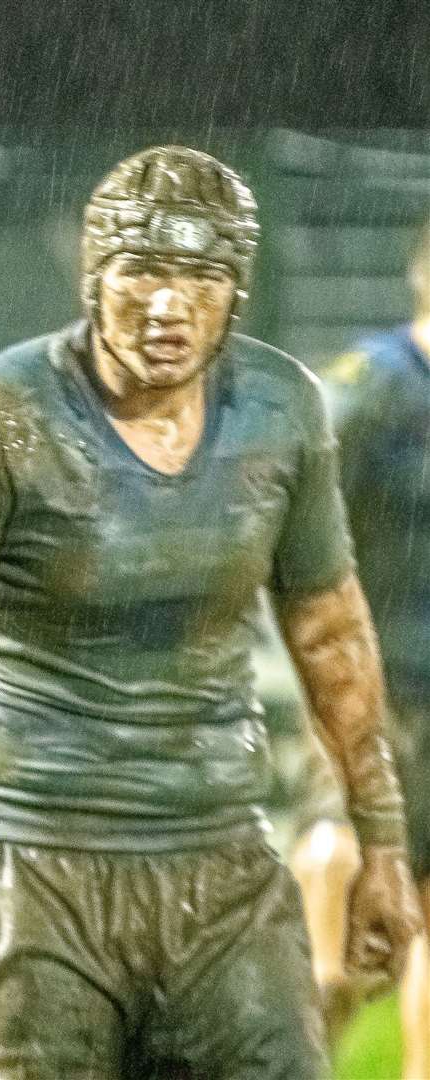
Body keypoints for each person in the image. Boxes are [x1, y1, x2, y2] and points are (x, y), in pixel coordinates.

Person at [0, 145, 423, 1079]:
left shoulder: (279, 410)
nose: (168, 303)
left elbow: (329, 629)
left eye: (202, 275)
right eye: (143, 270)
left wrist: (381, 841)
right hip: (27, 869)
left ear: (237, 289)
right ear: (92, 276)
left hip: (221, 868)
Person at [287, 218, 430, 1076]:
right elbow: (280, 495)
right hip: (368, 696)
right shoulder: (372, 386)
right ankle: (301, 1036)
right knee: (334, 883)